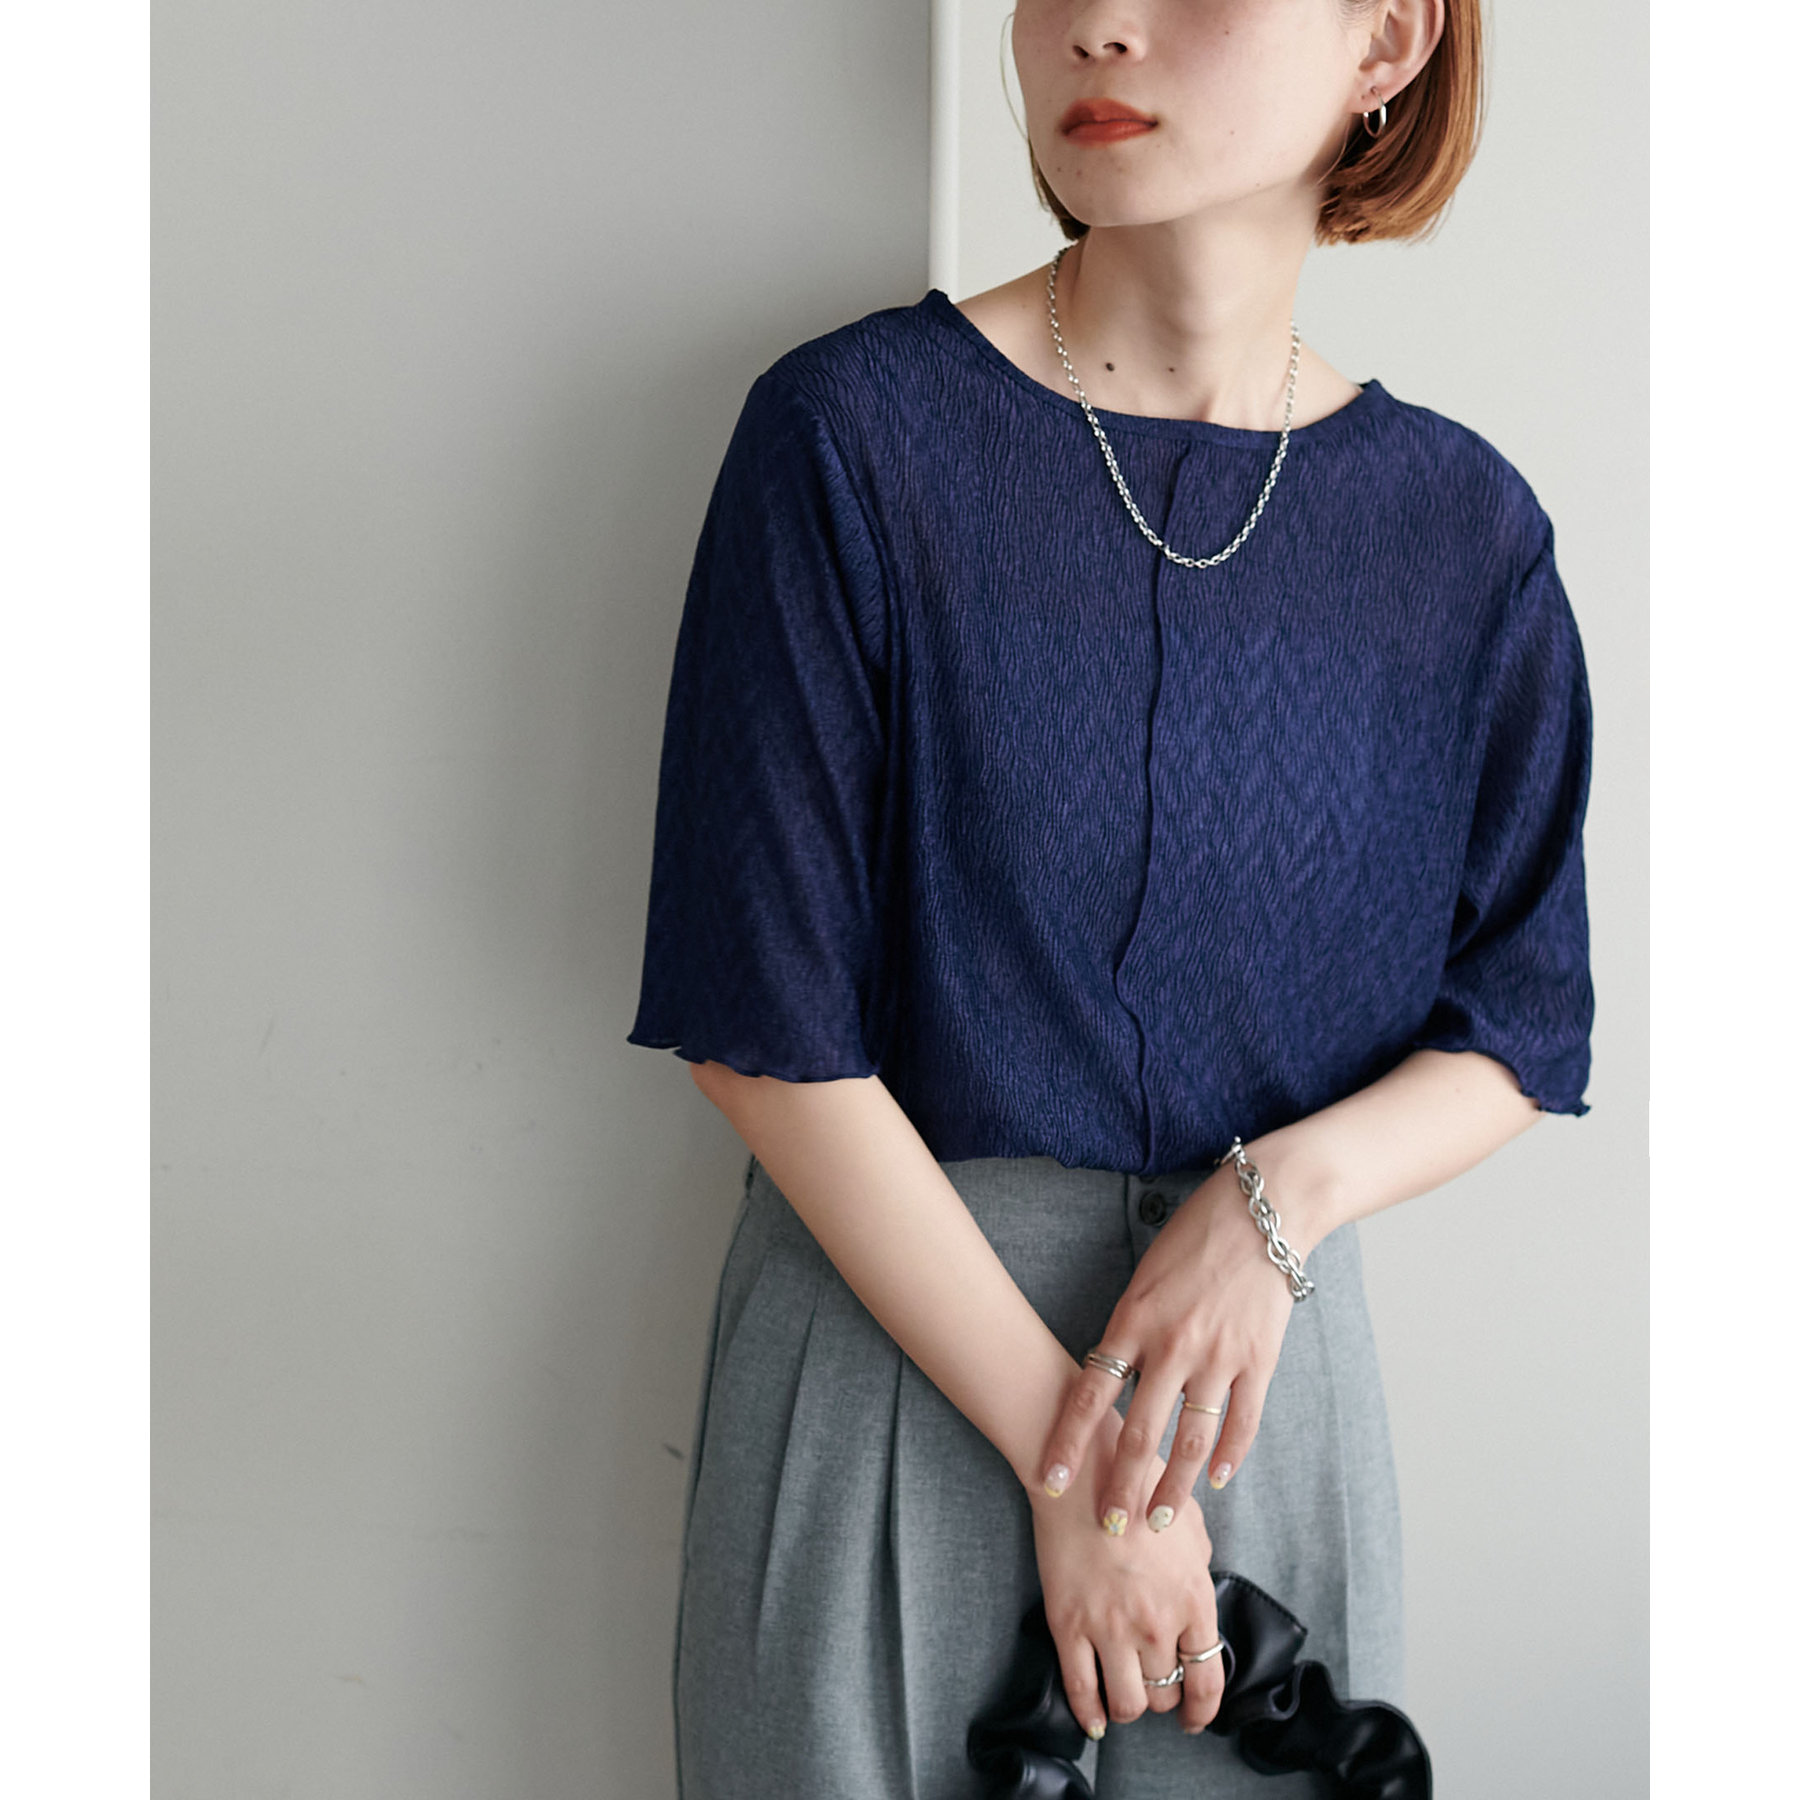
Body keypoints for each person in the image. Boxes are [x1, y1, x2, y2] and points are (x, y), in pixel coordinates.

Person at [625, 1, 1594, 1795]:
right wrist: (1090, 1478)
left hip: (1259, 1400)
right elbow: (762, 1027)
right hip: (900, 1366)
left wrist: (1276, 1204)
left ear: (1386, 39)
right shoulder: (853, 438)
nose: (1103, 26)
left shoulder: (1463, 535)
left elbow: (1522, 1024)